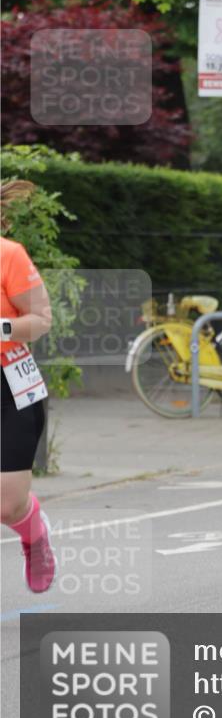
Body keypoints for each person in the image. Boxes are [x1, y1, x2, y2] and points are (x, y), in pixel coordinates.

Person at [1, 180, 56, 592]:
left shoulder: (9, 254)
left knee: (7, 502)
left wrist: (2, 328)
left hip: (9, 386)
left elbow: (39, 319)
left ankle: (33, 533)